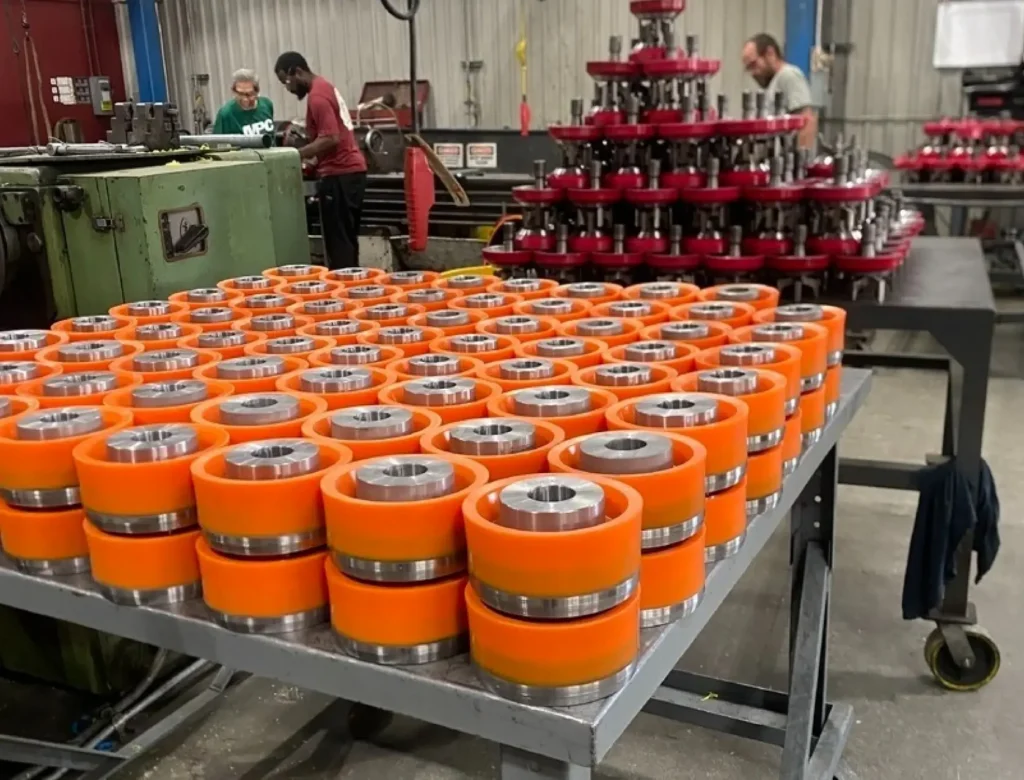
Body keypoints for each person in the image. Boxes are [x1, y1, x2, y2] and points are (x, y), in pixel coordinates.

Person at [274, 51, 367, 269]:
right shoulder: (325, 86)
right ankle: (351, 289)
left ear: (297, 72)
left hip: (340, 176)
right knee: (346, 241)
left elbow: (331, 138)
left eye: (287, 81)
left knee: (339, 245)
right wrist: (314, 161)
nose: (288, 88)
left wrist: (295, 155)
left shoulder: (317, 97)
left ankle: (343, 295)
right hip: (351, 173)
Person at [741, 34, 817, 150]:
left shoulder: (789, 76)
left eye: (754, 65)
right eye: (748, 68)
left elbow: (807, 121)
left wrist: (800, 162)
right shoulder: (771, 84)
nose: (753, 73)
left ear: (770, 53)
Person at [212, 68, 275, 139]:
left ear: (257, 91)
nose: (245, 99)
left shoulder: (267, 105)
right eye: (240, 94)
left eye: (249, 94)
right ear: (233, 91)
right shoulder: (226, 114)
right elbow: (217, 143)